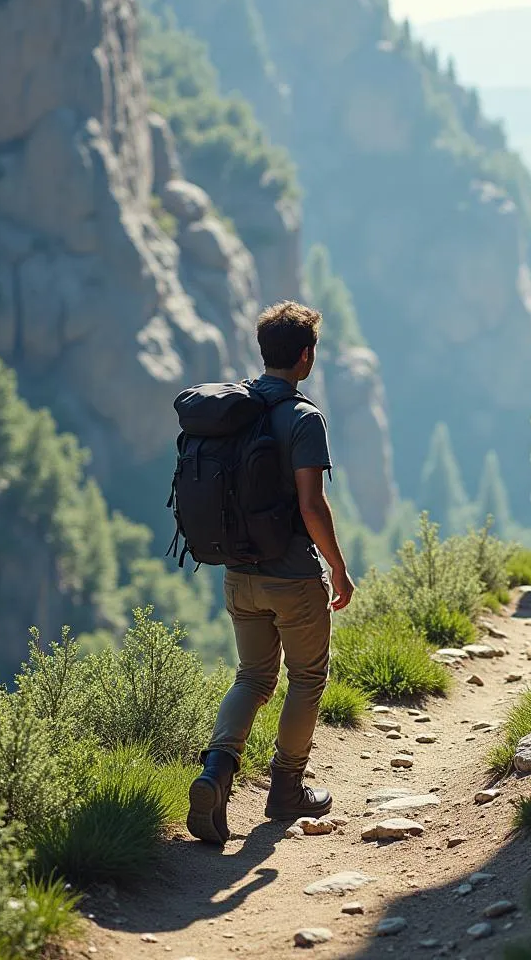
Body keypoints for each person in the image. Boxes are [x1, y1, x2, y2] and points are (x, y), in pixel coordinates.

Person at [186, 301, 356, 846]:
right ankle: (286, 789)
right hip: (292, 578)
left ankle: (215, 772)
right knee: (306, 678)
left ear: (265, 352)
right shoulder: (303, 418)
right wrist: (339, 566)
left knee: (252, 678)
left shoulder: (234, 410)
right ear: (306, 356)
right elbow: (312, 506)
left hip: (238, 574)